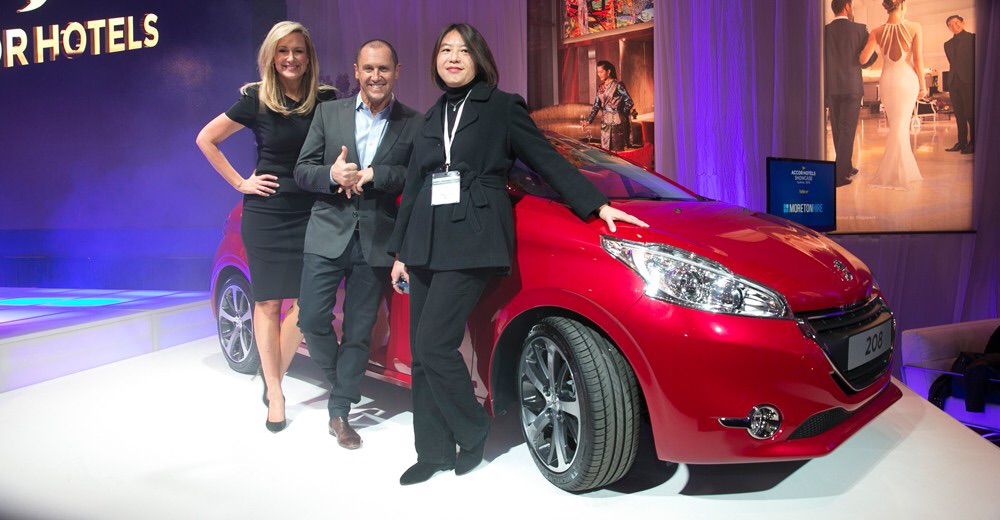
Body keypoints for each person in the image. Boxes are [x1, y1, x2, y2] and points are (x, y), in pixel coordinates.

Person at [387, 23, 648, 485]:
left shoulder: (502, 106)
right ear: (435, 61)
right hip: (426, 238)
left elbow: (546, 159)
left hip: (473, 234)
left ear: (479, 58)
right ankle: (432, 451)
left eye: (462, 50)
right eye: (445, 50)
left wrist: (596, 204)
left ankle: (473, 429)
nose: (452, 58)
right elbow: (415, 184)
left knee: (433, 343)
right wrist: (401, 251)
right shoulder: (429, 118)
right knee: (422, 354)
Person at [196, 21, 334, 433]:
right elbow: (206, 139)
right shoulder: (256, 99)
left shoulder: (325, 99)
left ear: (309, 57)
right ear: (271, 57)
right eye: (283, 51)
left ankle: (272, 374)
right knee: (269, 303)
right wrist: (241, 183)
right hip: (268, 212)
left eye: (298, 50)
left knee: (310, 302)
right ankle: (275, 391)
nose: (291, 58)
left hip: (312, 211)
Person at [293, 40, 420, 449]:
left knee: (359, 332)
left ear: (396, 71)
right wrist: (331, 176)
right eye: (368, 68)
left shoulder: (413, 122)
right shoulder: (328, 114)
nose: (375, 76)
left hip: (377, 240)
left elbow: (414, 176)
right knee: (311, 318)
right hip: (327, 231)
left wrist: (375, 174)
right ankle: (342, 382)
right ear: (356, 70)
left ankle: (340, 411)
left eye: (383, 68)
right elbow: (302, 171)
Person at [860, 0, 925, 190]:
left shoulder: (876, 31)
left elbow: (863, 59)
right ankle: (901, 173)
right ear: (902, 5)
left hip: (888, 80)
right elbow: (918, 59)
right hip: (907, 80)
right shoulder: (915, 27)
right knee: (901, 126)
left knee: (896, 125)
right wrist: (923, 85)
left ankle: (896, 171)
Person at [825, 0, 877, 188]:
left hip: (831, 86)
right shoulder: (860, 29)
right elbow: (868, 59)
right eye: (852, 5)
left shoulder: (824, 31)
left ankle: (846, 166)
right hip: (852, 87)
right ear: (847, 6)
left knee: (838, 129)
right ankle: (839, 175)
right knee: (847, 129)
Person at [582, 60, 635, 151]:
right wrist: (588, 121)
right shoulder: (600, 87)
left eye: (601, 72)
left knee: (617, 152)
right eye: (598, 72)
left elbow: (629, 102)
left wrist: (621, 113)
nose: (599, 74)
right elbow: (596, 106)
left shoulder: (618, 85)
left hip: (617, 124)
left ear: (608, 71)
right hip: (605, 124)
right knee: (605, 151)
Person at [944, 14, 975, 155]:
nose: (954, 26)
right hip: (953, 82)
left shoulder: (973, 39)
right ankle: (961, 142)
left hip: (969, 81)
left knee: (971, 113)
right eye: (950, 25)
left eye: (956, 23)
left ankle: (974, 142)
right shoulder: (947, 44)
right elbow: (953, 63)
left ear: (963, 23)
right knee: (959, 114)